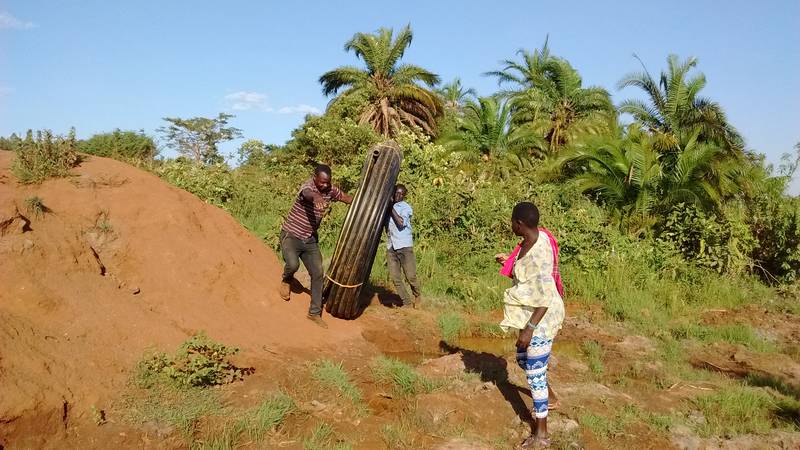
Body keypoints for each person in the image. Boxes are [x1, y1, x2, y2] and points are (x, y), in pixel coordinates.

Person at [495, 202, 565, 449]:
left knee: (534, 372)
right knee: (523, 360)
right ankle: (551, 397)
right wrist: (510, 262)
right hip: (534, 315)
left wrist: (529, 329)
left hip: (542, 319)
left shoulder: (537, 255)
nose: (511, 224)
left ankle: (542, 433)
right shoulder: (538, 236)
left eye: (512, 221)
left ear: (520, 224)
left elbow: (544, 295)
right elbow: (529, 276)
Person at [280, 164, 352, 328]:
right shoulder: (308, 187)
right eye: (322, 183)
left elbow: (347, 198)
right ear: (315, 178)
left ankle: (314, 313)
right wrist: (317, 198)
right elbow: (307, 194)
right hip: (291, 235)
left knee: (318, 273)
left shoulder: (330, 190)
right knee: (292, 264)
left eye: (328, 182)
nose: (325, 186)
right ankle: (287, 279)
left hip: (310, 239)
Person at [385, 184, 422, 308]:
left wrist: (390, 207)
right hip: (391, 246)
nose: (398, 196)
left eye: (401, 194)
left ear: (404, 196)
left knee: (410, 276)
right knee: (395, 277)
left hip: (404, 246)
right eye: (396, 193)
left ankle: (417, 295)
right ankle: (406, 302)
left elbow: (401, 223)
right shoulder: (387, 206)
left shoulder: (405, 207)